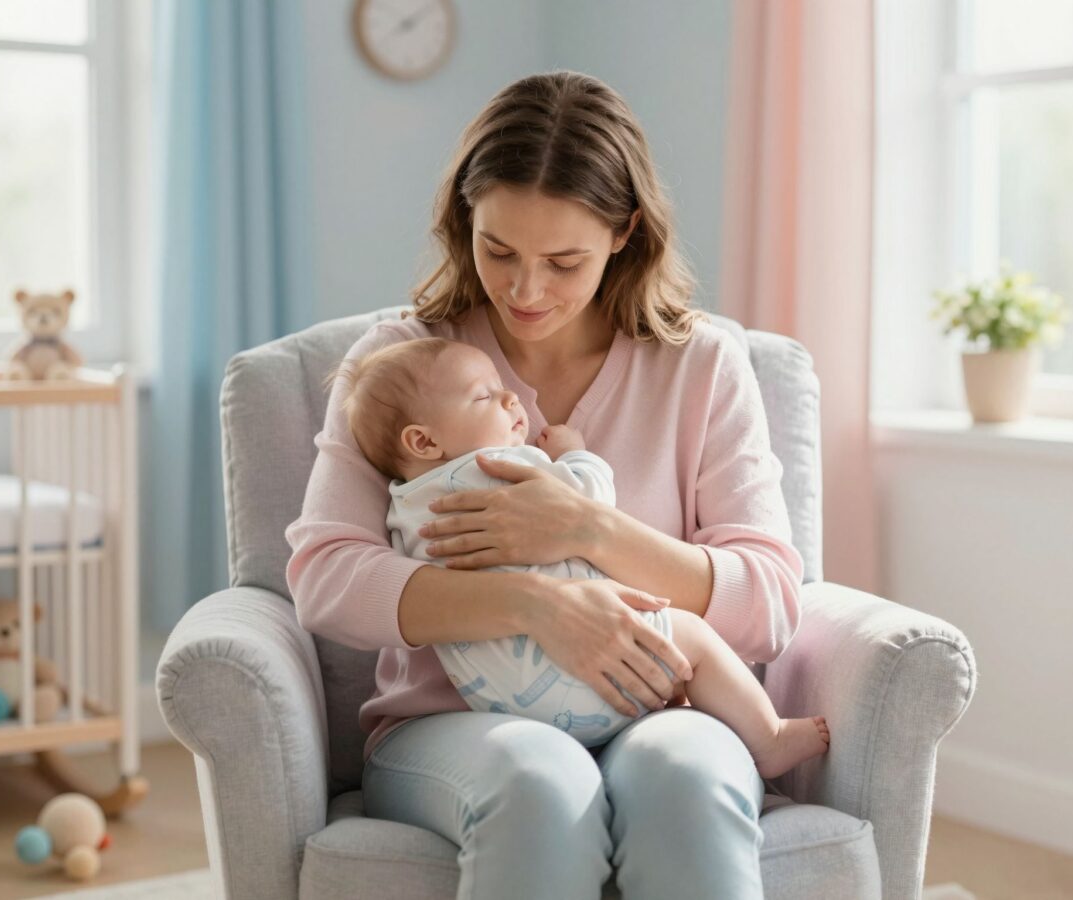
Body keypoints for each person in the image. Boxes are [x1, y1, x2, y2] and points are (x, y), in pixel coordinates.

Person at [286, 70, 807, 899]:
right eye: (498, 251)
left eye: (564, 262)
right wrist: (537, 606)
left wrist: (585, 529)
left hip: (660, 709)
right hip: (455, 728)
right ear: (465, 222)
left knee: (687, 781)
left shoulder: (702, 366)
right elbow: (326, 576)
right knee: (538, 785)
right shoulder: (403, 365)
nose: (526, 291)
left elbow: (770, 597)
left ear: (624, 233)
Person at [329, 335, 829, 775]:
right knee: (692, 638)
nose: (510, 397)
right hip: (589, 683)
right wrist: (574, 454)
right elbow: (588, 499)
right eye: (484, 396)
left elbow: (767, 600)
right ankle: (769, 738)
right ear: (423, 439)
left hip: (498, 702)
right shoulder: (494, 467)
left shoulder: (405, 510)